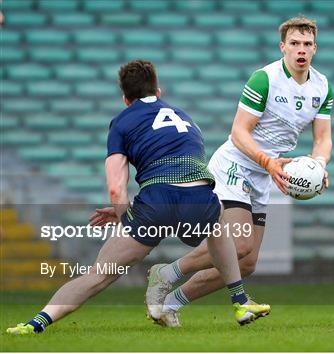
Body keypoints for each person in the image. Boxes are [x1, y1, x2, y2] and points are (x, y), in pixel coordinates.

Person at [6, 60, 269, 335]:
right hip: (199, 199)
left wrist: (126, 217)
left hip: (155, 203)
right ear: (158, 90)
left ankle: (34, 325)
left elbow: (116, 189)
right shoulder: (184, 116)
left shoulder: (121, 122)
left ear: (125, 99)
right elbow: (180, 178)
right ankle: (240, 301)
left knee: (99, 274)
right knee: (217, 224)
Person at [144, 16, 333, 324]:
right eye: (295, 44)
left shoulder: (322, 86)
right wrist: (268, 162)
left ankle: (171, 304)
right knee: (240, 244)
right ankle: (165, 273)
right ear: (282, 47)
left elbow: (323, 138)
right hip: (235, 164)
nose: (301, 50)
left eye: (307, 44)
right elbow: (239, 132)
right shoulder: (265, 79)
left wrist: (319, 164)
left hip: (263, 173)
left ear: (315, 48)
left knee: (247, 263)